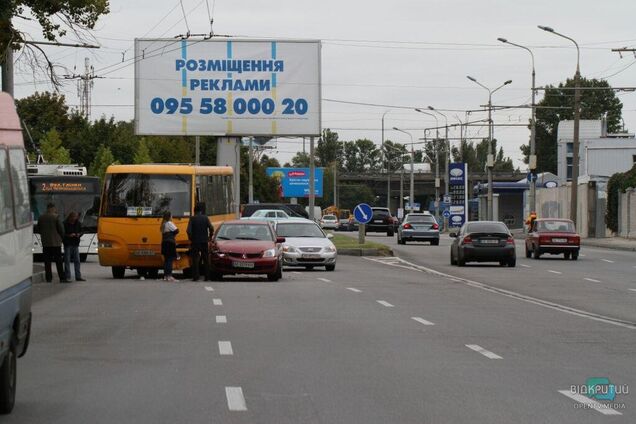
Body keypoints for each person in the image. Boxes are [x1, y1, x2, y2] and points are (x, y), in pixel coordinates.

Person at [38, 203, 67, 283]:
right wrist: (62, 237)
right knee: (58, 261)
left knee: (47, 262)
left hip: (45, 243)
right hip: (55, 243)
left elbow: (38, 229)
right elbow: (61, 230)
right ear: (53, 208)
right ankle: (62, 277)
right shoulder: (56, 217)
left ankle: (48, 278)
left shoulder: (41, 217)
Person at [187, 203, 214, 281]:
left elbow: (188, 231)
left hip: (195, 242)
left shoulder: (192, 219)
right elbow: (211, 228)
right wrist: (210, 236)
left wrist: (191, 239)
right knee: (206, 259)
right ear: (201, 211)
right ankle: (207, 277)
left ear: (195, 211)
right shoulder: (205, 218)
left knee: (195, 259)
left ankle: (196, 277)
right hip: (204, 241)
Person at [63, 211, 85, 282]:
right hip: (68, 244)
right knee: (67, 260)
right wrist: (69, 235)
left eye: (76, 217)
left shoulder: (78, 223)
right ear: (70, 217)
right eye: (73, 217)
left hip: (75, 244)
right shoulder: (65, 224)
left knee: (77, 261)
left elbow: (82, 231)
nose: (74, 219)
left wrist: (79, 234)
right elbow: (62, 233)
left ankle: (78, 276)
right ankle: (67, 276)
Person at [160, 211, 179, 282]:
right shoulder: (169, 223)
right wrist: (173, 234)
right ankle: (169, 276)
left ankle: (165, 276)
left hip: (164, 243)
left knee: (166, 260)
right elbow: (177, 230)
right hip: (170, 243)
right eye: (171, 216)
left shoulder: (163, 224)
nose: (172, 217)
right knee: (170, 260)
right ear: (169, 217)